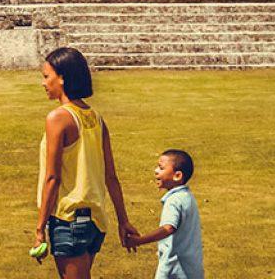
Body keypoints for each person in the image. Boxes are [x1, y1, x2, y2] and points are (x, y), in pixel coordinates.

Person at [35, 46, 139, 279]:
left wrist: (40, 228)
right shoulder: (96, 118)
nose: (43, 83)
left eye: (46, 76)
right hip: (94, 222)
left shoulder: (58, 118)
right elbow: (110, 176)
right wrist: (123, 221)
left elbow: (53, 177)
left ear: (62, 78)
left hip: (68, 219)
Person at [125, 149, 204, 279]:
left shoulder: (174, 201)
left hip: (175, 269)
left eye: (161, 168)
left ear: (177, 176)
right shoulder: (187, 197)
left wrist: (139, 240)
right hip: (192, 269)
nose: (156, 170)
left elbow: (168, 228)